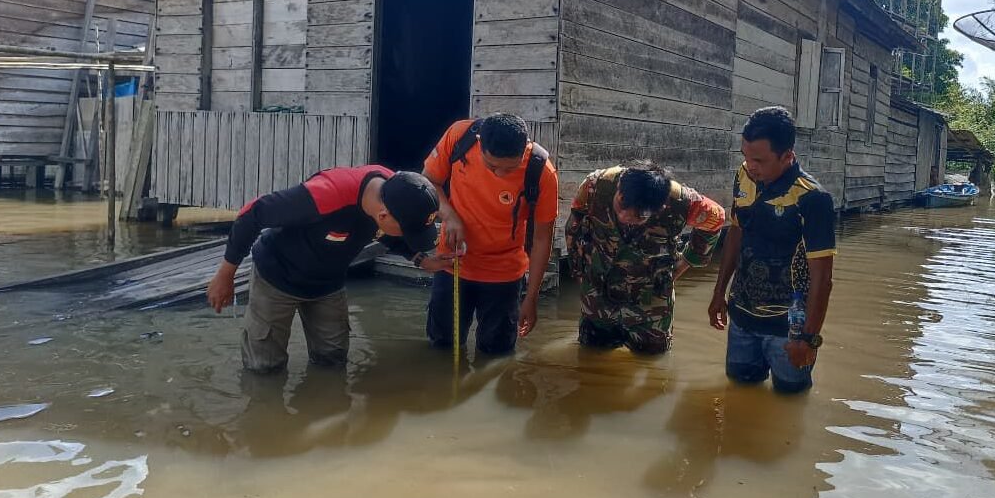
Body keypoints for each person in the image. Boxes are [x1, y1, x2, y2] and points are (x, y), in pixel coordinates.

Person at [207, 166, 450, 373]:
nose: (409, 237)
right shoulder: (325, 195)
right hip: (277, 276)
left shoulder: (398, 190)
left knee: (332, 361)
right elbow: (252, 214)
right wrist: (225, 274)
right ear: (383, 215)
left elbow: (388, 234)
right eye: (409, 232)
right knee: (264, 367)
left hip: (328, 283)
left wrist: (420, 259)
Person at [708, 107, 836, 393]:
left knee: (790, 401)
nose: (750, 166)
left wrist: (808, 339)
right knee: (738, 393)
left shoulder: (812, 199)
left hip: (788, 331)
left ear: (787, 156)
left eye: (759, 160)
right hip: (741, 319)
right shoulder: (744, 176)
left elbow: (822, 279)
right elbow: (736, 233)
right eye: (745, 156)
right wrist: (719, 293)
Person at [422, 113, 560, 355]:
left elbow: (542, 238)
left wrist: (532, 297)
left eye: (510, 168)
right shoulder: (459, 137)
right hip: (452, 262)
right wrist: (449, 216)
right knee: (442, 345)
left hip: (504, 273)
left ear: (524, 149)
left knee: (496, 354)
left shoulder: (542, 171)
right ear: (479, 142)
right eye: (492, 166)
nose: (500, 175)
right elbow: (429, 181)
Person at [565, 161, 725, 354]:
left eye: (638, 217)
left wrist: (684, 264)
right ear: (619, 189)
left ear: (660, 208)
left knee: (653, 362)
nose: (624, 216)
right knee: (591, 356)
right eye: (621, 205)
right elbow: (574, 223)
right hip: (598, 294)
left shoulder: (682, 202)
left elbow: (716, 219)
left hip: (651, 301)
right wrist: (578, 270)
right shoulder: (596, 185)